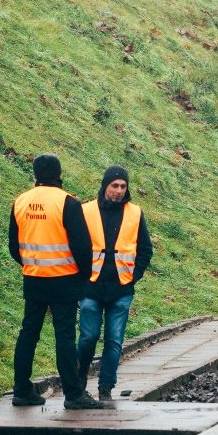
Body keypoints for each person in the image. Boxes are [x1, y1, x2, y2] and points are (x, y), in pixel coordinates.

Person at [9, 153, 102, 410]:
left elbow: (14, 247)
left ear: (35, 175)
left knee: (28, 334)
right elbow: (83, 246)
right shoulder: (68, 203)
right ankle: (73, 394)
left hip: (33, 278)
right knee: (64, 337)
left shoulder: (21, 201)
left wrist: (33, 262)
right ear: (59, 174)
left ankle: (21, 389)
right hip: (64, 280)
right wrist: (83, 276)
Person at [77, 165, 153, 404]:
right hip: (90, 287)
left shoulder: (135, 213)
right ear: (105, 186)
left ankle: (106, 387)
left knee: (114, 340)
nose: (119, 191)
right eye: (115, 186)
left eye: (123, 186)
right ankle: (79, 382)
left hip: (121, 289)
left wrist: (133, 276)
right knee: (88, 337)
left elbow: (145, 250)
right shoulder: (85, 211)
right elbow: (75, 247)